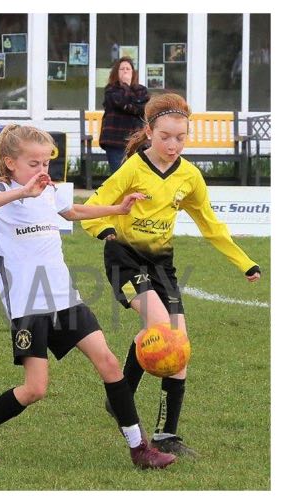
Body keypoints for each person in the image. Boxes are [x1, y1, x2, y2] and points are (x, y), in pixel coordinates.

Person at [0, 125, 175, 468]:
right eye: (34, 163)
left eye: (46, 163)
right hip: (27, 305)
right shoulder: (0, 193)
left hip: (65, 297)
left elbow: (72, 212)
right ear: (9, 162)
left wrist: (118, 209)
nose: (42, 171)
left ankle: (140, 448)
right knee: (35, 388)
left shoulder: (48, 191)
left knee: (109, 363)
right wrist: (23, 192)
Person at [81, 93, 262, 457]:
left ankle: (166, 435)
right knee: (161, 326)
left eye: (181, 137)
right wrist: (105, 229)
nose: (173, 145)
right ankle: (122, 397)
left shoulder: (189, 176)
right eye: (165, 136)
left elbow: (210, 224)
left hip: (161, 264)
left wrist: (245, 262)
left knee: (179, 343)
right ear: (149, 132)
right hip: (124, 257)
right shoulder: (133, 168)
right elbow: (93, 206)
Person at [99, 57, 149, 174]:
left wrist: (132, 106)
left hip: (136, 141)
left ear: (133, 72)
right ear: (116, 73)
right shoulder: (111, 90)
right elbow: (122, 104)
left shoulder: (141, 90)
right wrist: (126, 85)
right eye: (122, 69)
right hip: (115, 140)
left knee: (136, 175)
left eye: (128, 69)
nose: (125, 71)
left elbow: (142, 109)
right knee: (119, 175)